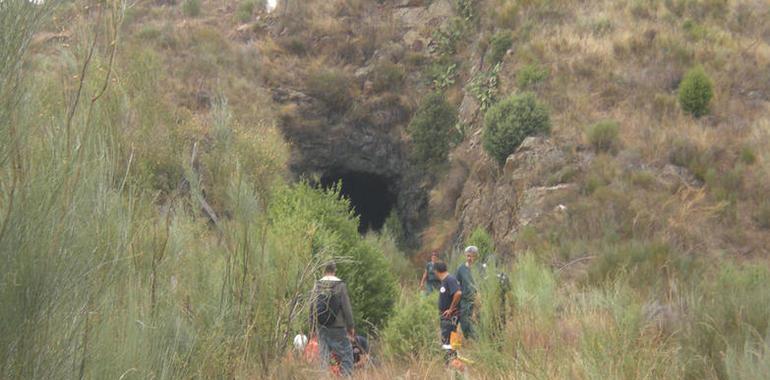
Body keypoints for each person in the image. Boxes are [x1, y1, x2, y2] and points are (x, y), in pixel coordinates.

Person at [309, 262, 356, 376]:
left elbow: (312, 307)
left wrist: (311, 327)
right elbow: (347, 308)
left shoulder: (317, 285)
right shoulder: (340, 286)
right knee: (347, 354)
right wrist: (350, 327)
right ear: (334, 270)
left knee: (323, 356)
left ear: (324, 270)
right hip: (338, 327)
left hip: (321, 326)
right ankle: (346, 377)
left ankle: (323, 377)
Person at [433, 261, 462, 347]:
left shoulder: (450, 279)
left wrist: (450, 309)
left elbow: (458, 293)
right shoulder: (445, 280)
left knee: (448, 341)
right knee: (450, 340)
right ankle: (453, 357)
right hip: (446, 316)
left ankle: (450, 358)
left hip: (450, 316)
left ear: (436, 271)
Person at [456, 246, 478, 340]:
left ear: (476, 257)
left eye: (472, 256)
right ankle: (468, 338)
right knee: (464, 322)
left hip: (477, 300)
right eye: (468, 256)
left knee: (476, 321)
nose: (469, 258)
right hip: (464, 300)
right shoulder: (461, 269)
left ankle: (477, 340)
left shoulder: (479, 268)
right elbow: (457, 283)